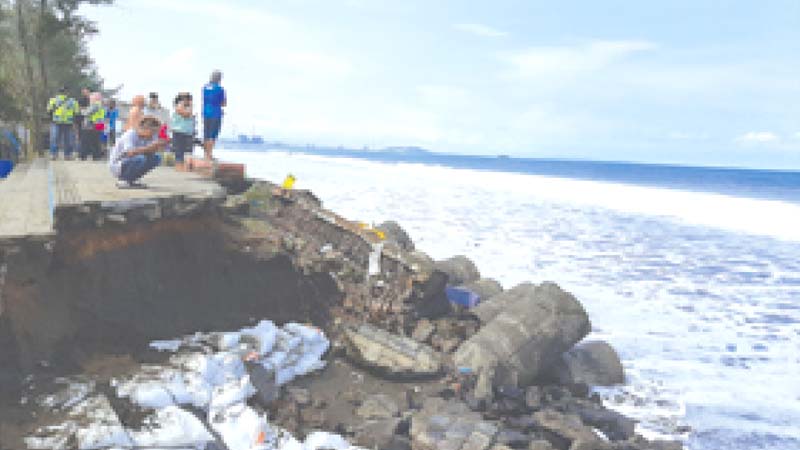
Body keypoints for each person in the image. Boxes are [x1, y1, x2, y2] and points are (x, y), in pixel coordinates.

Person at [109, 116, 166, 188]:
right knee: (140, 158)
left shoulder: (150, 137)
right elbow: (130, 153)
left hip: (132, 160)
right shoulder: (130, 134)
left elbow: (148, 152)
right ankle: (123, 180)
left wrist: (157, 147)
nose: (154, 135)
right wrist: (150, 147)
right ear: (146, 129)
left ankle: (131, 180)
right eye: (153, 132)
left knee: (156, 158)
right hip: (118, 164)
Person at [46, 86, 80, 160]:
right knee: (68, 139)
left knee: (55, 139)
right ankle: (67, 155)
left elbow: (49, 110)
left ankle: (54, 154)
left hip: (57, 122)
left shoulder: (53, 100)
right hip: (67, 122)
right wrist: (75, 122)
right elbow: (77, 112)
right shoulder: (73, 101)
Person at [202, 70, 226, 161]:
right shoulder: (220, 89)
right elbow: (223, 103)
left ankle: (205, 154)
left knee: (206, 134)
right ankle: (209, 154)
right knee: (213, 135)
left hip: (206, 112)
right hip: (215, 113)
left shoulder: (205, 87)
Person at [171, 92, 196, 167]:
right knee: (179, 151)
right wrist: (190, 107)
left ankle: (185, 165)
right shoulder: (179, 106)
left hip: (188, 132)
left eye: (189, 99)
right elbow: (186, 115)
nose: (188, 101)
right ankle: (179, 166)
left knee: (187, 151)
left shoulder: (188, 108)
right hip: (179, 132)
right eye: (186, 99)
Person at [80, 92, 105, 160]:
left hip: (93, 124)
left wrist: (81, 110)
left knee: (87, 140)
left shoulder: (95, 105)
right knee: (97, 141)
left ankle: (84, 156)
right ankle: (97, 156)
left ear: (95, 98)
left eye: (91, 98)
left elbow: (86, 113)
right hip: (100, 124)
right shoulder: (102, 105)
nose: (90, 100)